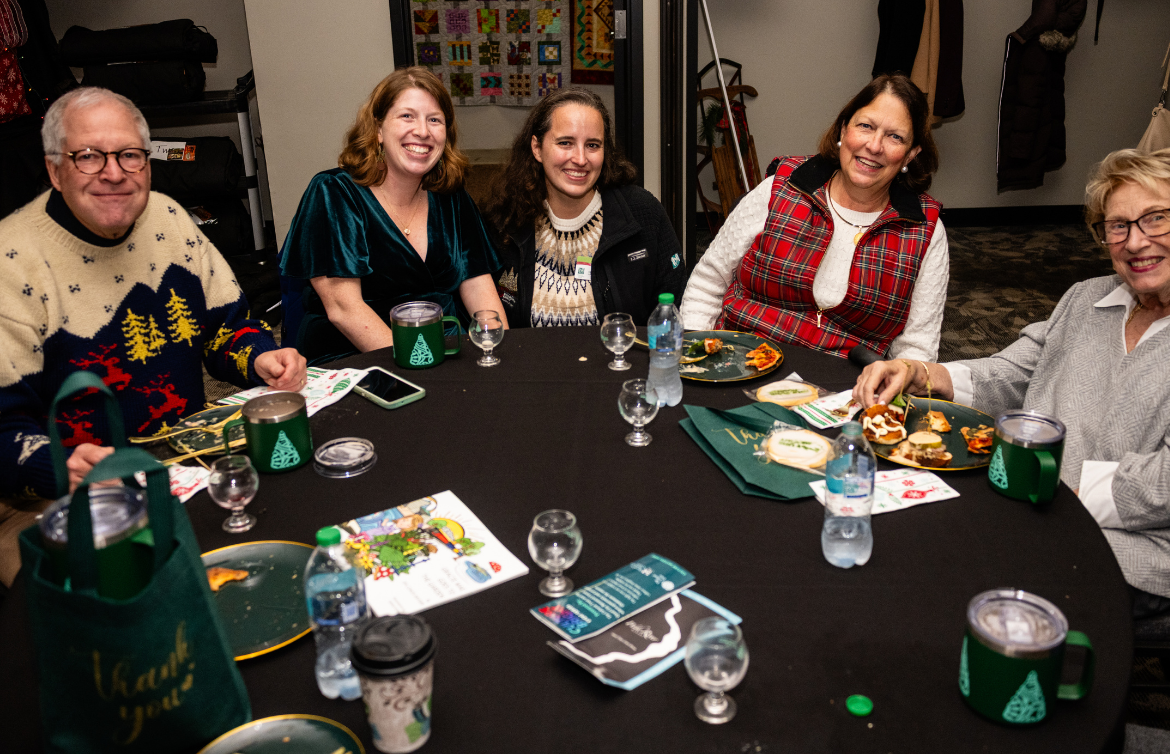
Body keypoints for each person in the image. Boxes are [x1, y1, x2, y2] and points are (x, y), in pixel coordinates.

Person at [853, 147, 1170, 617]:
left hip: (1141, 545)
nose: (1135, 242)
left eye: (1156, 219)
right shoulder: (1088, 297)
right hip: (1028, 501)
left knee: (958, 583)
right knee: (904, 530)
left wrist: (1044, 489)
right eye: (1118, 225)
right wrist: (919, 373)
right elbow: (1012, 374)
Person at [0, 87, 306, 585]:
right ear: (55, 170)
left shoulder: (167, 217)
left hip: (181, 464)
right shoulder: (10, 261)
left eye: (129, 156)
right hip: (56, 501)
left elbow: (224, 328)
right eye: (88, 157)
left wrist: (260, 357)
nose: (114, 172)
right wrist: (57, 466)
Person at [681, 73, 947, 361]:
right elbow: (709, 282)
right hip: (739, 364)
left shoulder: (923, 231)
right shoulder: (781, 188)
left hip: (844, 392)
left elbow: (916, 350)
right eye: (865, 126)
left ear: (910, 155)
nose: (874, 146)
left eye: (895, 137)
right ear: (843, 130)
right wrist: (695, 359)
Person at [280, 68, 505, 362]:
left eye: (434, 120)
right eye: (407, 116)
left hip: (447, 348)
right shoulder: (334, 194)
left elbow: (478, 288)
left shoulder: (452, 198)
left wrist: (498, 351)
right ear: (378, 129)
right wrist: (422, 366)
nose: (423, 131)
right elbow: (344, 310)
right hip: (356, 354)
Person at [482, 87, 684, 327]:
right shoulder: (502, 221)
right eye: (565, 143)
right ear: (537, 148)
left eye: (592, 145)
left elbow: (676, 309)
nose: (580, 159)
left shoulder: (643, 214)